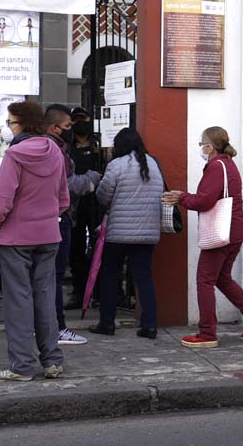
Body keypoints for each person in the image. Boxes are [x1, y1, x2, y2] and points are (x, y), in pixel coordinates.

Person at [163, 126, 243, 348]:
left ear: (210, 146)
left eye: (202, 143)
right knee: (222, 278)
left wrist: (181, 198)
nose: (200, 148)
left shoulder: (215, 167)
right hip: (234, 233)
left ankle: (207, 333)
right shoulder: (228, 165)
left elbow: (205, 201)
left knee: (205, 280)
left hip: (221, 234)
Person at [0, 101, 69, 381]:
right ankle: (52, 361)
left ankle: (22, 366)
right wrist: (44, 217)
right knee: (45, 296)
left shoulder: (14, 155)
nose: (8, 127)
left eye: (10, 123)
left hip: (15, 238)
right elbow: (63, 199)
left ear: (21, 124)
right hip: (48, 235)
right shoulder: (55, 153)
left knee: (18, 301)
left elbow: (1, 202)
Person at [92, 128, 163, 338]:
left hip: (119, 234)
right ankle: (150, 325)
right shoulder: (154, 164)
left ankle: (107, 323)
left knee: (110, 276)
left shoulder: (116, 165)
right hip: (148, 233)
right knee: (144, 277)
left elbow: (103, 196)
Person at [44, 104, 99, 346]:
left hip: (65, 215)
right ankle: (56, 328)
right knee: (54, 276)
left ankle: (49, 326)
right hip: (60, 217)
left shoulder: (54, 148)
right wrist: (93, 179)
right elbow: (68, 184)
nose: (73, 129)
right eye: (69, 126)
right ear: (54, 128)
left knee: (48, 277)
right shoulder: (55, 151)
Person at [65, 107, 102, 311]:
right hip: (74, 204)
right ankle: (79, 292)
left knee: (101, 247)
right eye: (76, 120)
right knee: (75, 249)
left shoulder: (101, 145)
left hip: (98, 202)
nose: (80, 123)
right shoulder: (67, 147)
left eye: (83, 119)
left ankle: (101, 292)